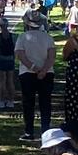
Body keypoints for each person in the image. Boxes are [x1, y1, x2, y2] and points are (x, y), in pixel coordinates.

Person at [15, 11, 56, 141]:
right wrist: (44, 70)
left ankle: (29, 131)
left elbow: (21, 55)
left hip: (27, 73)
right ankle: (45, 131)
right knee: (45, 103)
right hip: (47, 73)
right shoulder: (48, 38)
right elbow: (51, 56)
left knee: (28, 103)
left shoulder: (22, 37)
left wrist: (34, 68)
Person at [0, 19, 17, 109]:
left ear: (0, 26)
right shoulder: (12, 36)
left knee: (2, 81)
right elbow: (15, 48)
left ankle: (1, 101)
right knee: (10, 81)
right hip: (10, 59)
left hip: (1, 59)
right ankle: (11, 101)